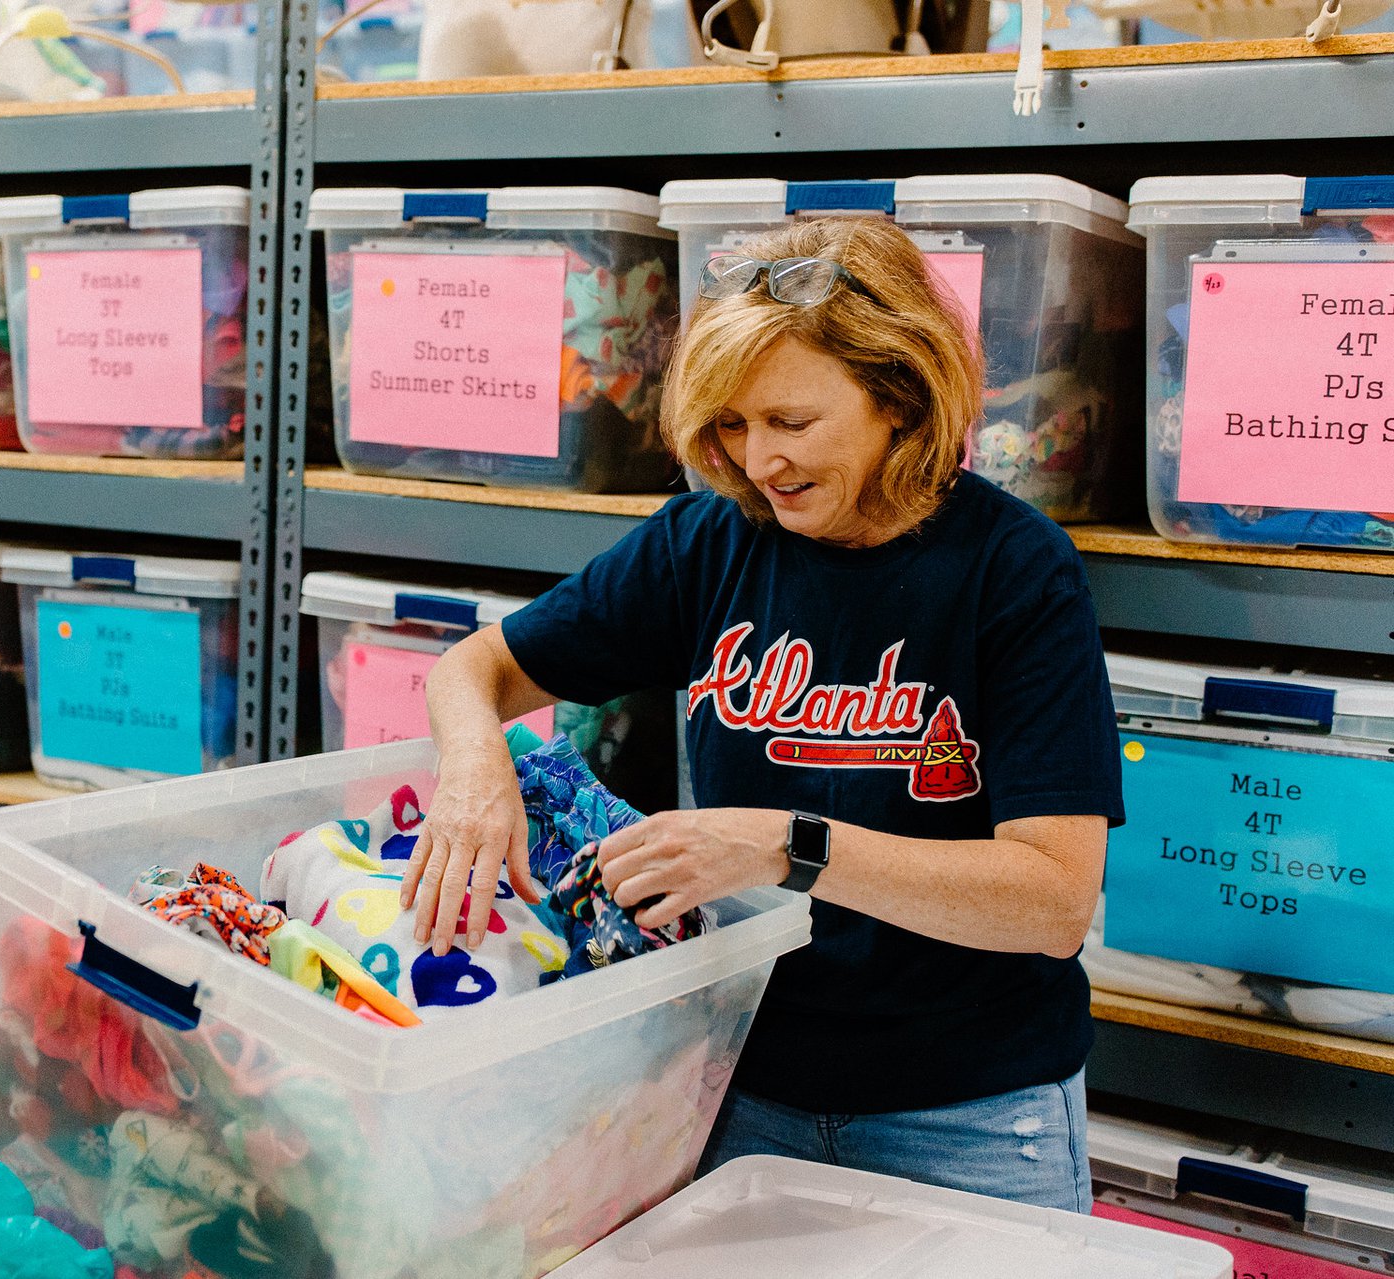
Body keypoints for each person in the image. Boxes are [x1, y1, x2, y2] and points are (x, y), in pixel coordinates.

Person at [400, 216, 1122, 1213]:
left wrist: (791, 847)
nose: (758, 459)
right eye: (731, 424)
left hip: (968, 1112)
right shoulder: (710, 541)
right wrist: (476, 774)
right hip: (736, 1090)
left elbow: (1051, 902)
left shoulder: (1015, 571)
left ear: (898, 400)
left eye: (790, 421)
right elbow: (474, 669)